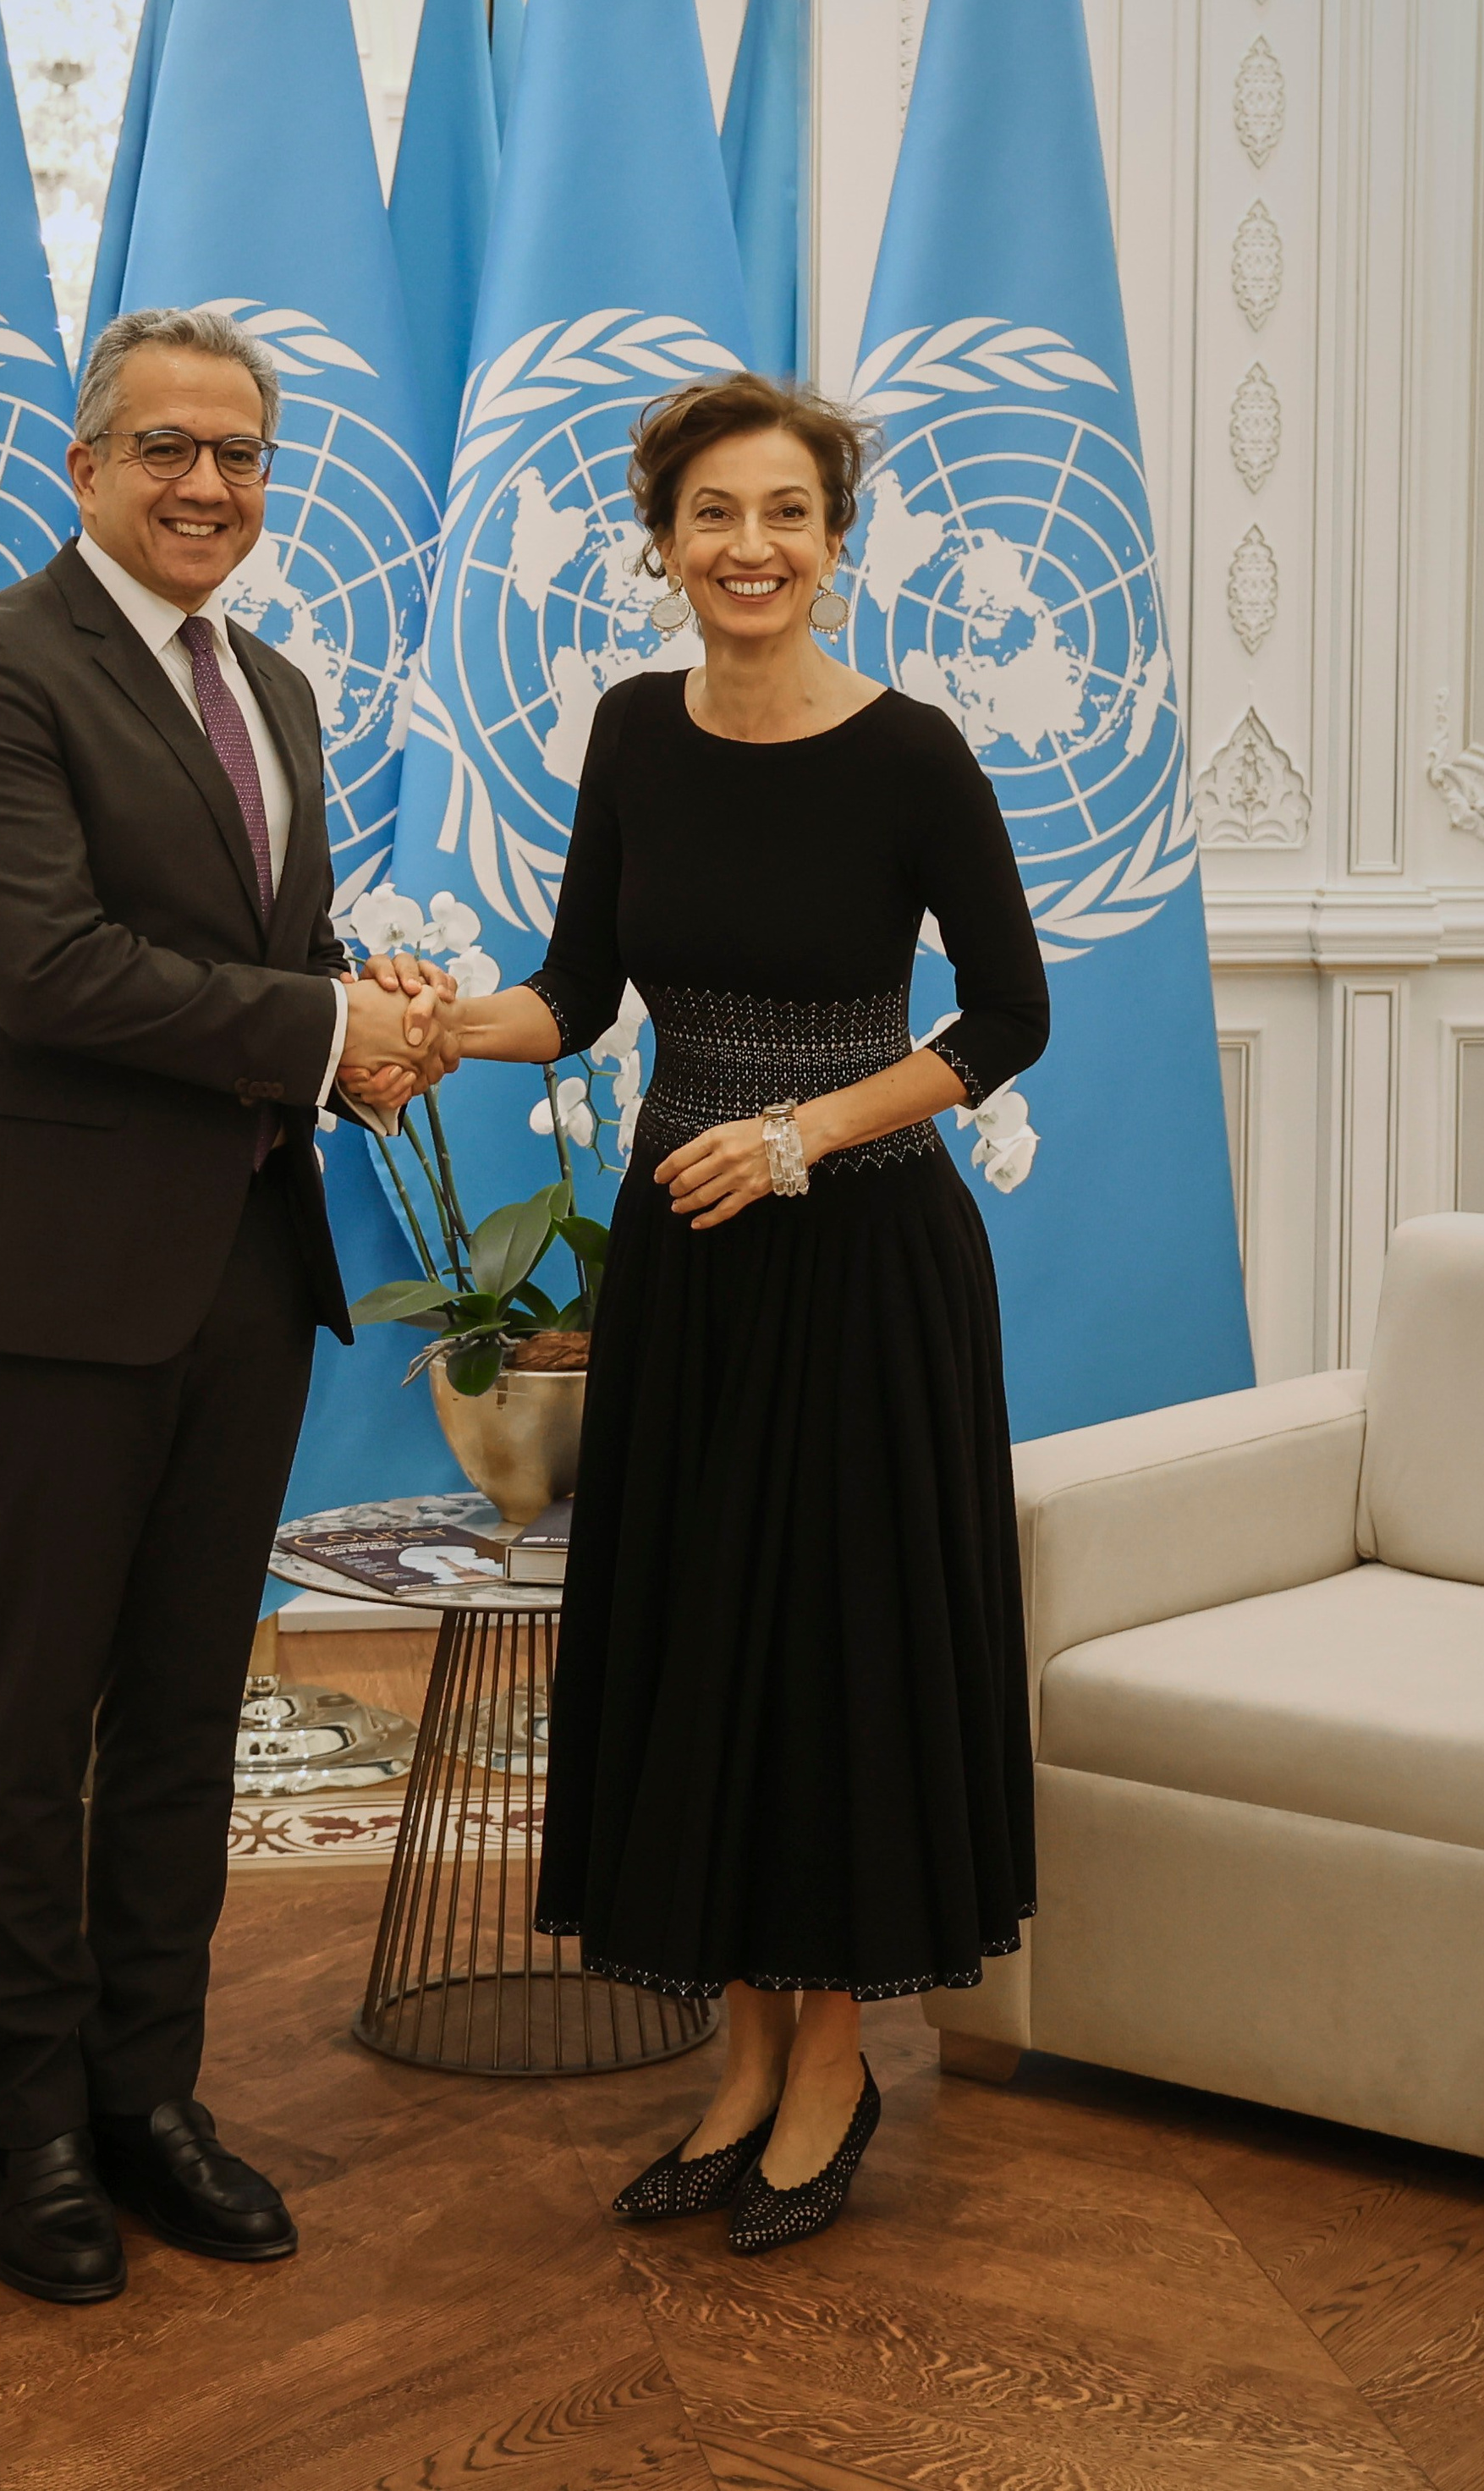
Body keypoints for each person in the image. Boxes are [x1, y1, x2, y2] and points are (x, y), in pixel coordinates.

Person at [0, 304, 453, 2305]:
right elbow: (45, 970)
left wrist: (359, 1007)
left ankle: (152, 2097)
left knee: (196, 1715)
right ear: (85, 467)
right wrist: (318, 1029)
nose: (204, 486)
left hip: (239, 1271)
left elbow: (246, 946)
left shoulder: (272, 685)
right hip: (45, 1284)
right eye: (163, 451)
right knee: (37, 1722)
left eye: (237, 455)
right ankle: (26, 2127)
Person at [443, 371, 1048, 2253]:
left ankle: (837, 2059)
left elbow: (1004, 1017)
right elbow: (576, 991)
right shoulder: (632, 729)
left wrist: (795, 1137)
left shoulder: (912, 753)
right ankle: (743, 2052)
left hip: (862, 1266)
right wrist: (419, 1027)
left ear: (834, 542)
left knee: (834, 1654)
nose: (749, 548)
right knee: (712, 1647)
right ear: (662, 543)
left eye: (784, 512)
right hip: (691, 1278)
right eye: (713, 514)